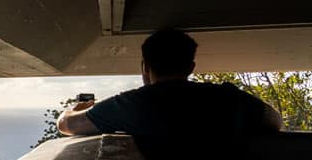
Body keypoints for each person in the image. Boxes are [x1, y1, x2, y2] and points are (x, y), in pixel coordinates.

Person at [56, 29, 283, 137]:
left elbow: (67, 126)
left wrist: (73, 109)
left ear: (145, 67)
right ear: (191, 68)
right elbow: (274, 121)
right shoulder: (226, 97)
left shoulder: (131, 104)